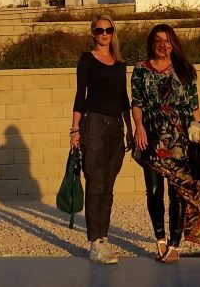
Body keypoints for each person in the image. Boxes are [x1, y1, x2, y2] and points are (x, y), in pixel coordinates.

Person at [131, 24, 200, 263]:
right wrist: (138, 127)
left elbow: (194, 109)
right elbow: (137, 103)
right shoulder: (141, 70)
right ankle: (160, 237)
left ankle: (175, 243)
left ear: (174, 44)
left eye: (168, 40)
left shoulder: (185, 71)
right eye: (158, 40)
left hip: (181, 142)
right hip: (150, 139)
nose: (163, 45)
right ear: (151, 43)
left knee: (178, 193)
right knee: (154, 192)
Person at [70, 14, 131, 265]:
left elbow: (124, 98)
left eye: (108, 30)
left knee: (108, 185)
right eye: (99, 30)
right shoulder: (87, 59)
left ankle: (103, 238)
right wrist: (75, 130)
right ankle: (95, 242)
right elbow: (80, 95)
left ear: (113, 33)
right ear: (93, 33)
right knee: (95, 182)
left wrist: (131, 128)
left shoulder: (120, 64)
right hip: (93, 123)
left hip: (116, 126)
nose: (104, 34)